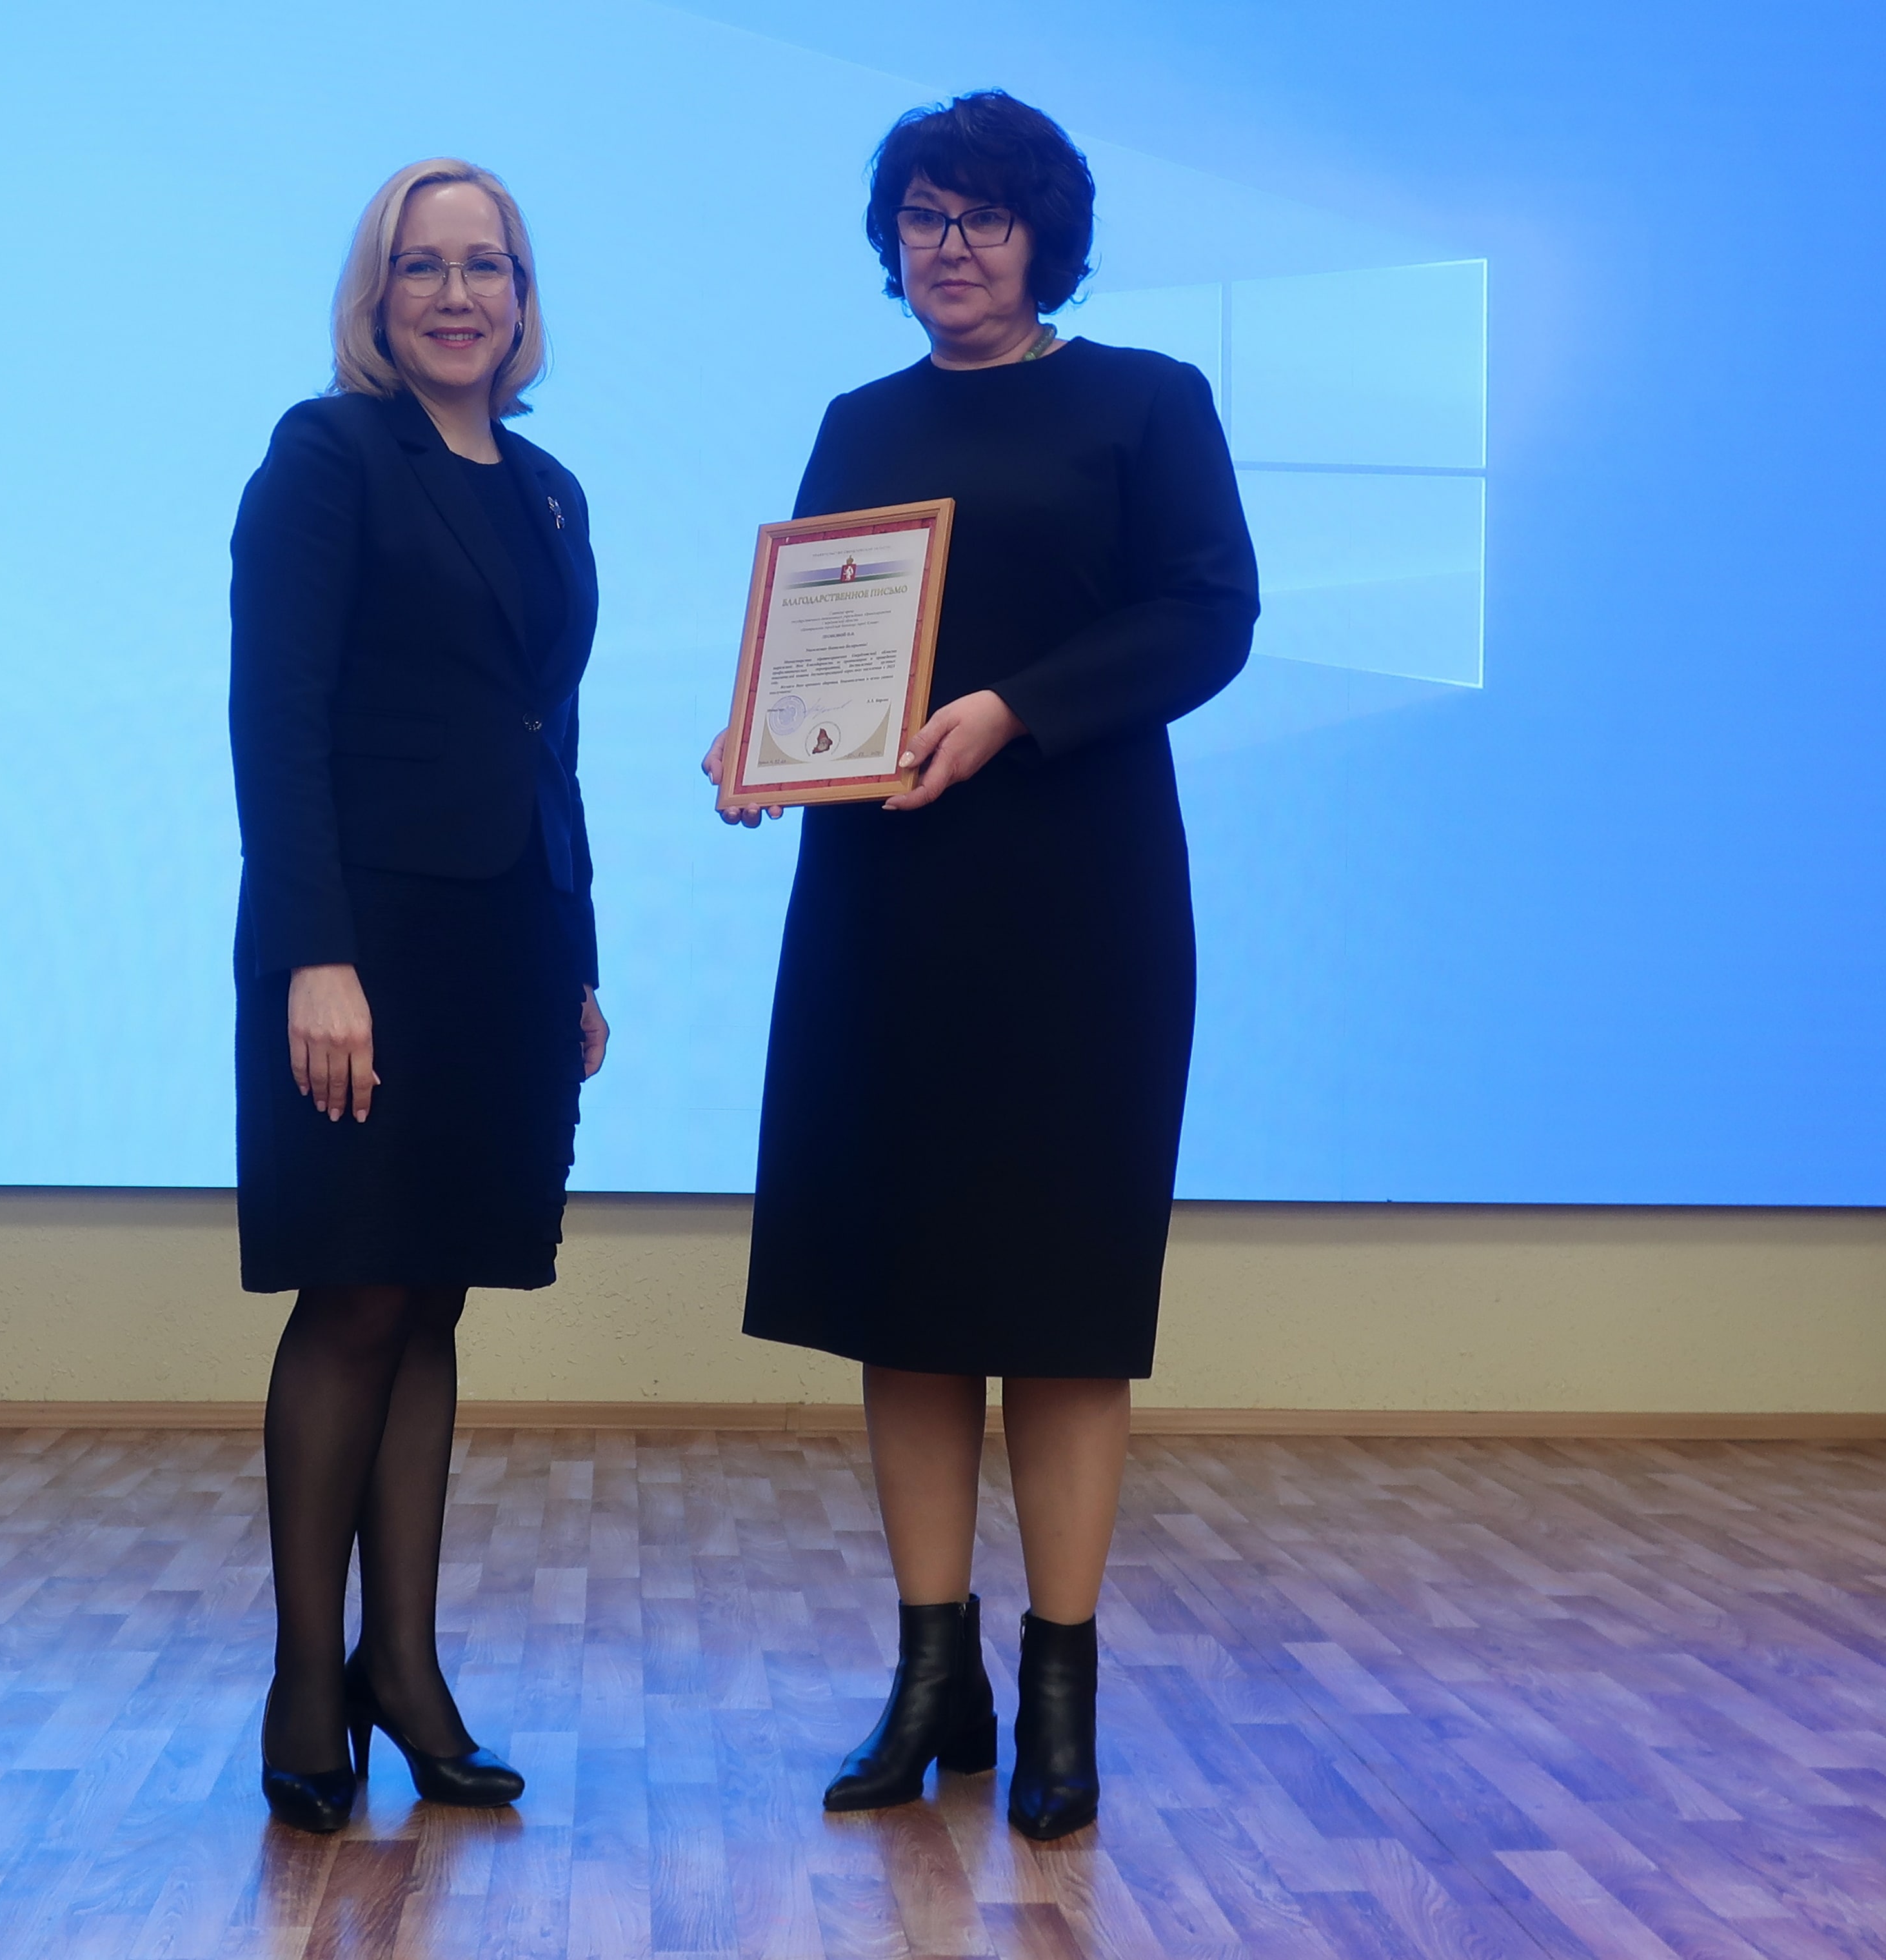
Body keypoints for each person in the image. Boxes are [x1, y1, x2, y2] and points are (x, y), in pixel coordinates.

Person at [703, 92, 1256, 1841]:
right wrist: (756, 737)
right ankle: (931, 1674)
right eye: (925, 216)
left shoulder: (1148, 400)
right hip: (886, 898)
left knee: (1065, 1300)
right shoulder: (859, 421)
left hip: (1082, 901)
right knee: (906, 1292)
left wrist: (1017, 707)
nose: (952, 246)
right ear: (893, 242)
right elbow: (821, 641)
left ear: (1046, 240)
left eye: (987, 217)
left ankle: (1060, 1688)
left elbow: (1210, 615)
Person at [232, 158, 606, 1834]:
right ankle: (308, 1684)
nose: (460, 295)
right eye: (424, 266)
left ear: (524, 298)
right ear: (375, 296)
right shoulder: (328, 456)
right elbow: (275, 716)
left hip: (507, 944)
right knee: (357, 1297)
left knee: (435, 1296)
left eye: (488, 265)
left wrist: (576, 956)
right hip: (363, 946)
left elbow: (547, 735)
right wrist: (315, 954)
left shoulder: (550, 490)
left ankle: (406, 1667)